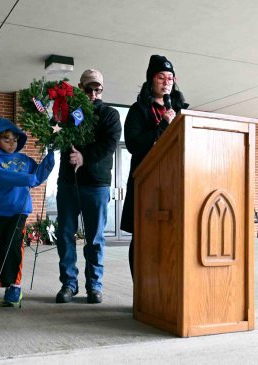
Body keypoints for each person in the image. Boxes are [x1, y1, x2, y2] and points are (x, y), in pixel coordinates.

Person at [55, 69, 122, 304]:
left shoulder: (110, 114)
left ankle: (94, 285)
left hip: (97, 184)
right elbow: (54, 136)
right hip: (68, 183)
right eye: (88, 89)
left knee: (94, 238)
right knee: (65, 235)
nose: (93, 94)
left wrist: (84, 157)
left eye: (98, 90)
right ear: (80, 88)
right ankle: (69, 284)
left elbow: (109, 144)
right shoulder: (66, 112)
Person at [121, 55, 189, 277]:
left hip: (175, 182)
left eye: (170, 78)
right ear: (151, 80)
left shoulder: (182, 110)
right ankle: (141, 292)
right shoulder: (138, 110)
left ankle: (166, 292)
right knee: (142, 236)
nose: (166, 81)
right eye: (161, 77)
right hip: (147, 183)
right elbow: (133, 145)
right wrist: (163, 126)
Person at [0, 118, 55, 307]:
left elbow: (39, 175)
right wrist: (28, 179)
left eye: (15, 140)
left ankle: (14, 286)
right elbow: (3, 178)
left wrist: (49, 154)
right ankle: (7, 282)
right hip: (0, 209)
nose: (11, 143)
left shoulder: (24, 160)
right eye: (6, 139)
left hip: (20, 210)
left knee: (14, 245)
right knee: (2, 246)